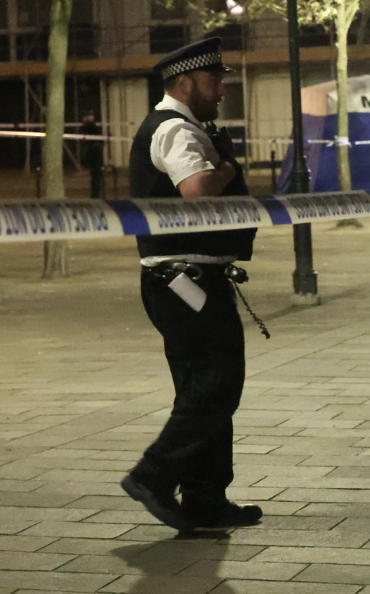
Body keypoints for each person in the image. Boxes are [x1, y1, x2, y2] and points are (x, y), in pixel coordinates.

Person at [120, 37, 261, 532]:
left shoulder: (188, 126)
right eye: (214, 80)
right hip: (184, 279)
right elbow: (196, 191)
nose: (222, 89)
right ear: (184, 82)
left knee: (204, 388)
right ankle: (153, 475)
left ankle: (205, 498)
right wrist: (225, 170)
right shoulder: (174, 130)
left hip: (190, 278)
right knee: (217, 383)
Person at [81, 111, 104, 199]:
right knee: (96, 176)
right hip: (94, 153)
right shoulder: (92, 126)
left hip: (94, 153)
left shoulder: (90, 126)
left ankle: (96, 194)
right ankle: (96, 194)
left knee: (96, 176)